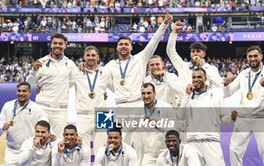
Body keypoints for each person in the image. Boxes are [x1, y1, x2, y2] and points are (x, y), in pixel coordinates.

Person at [177, 68, 239, 166]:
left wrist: (231, 118)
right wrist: (186, 95)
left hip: (211, 141)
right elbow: (180, 116)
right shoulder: (188, 96)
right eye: (194, 77)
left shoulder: (216, 94)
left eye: (199, 77)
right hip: (192, 142)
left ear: (205, 79)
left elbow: (224, 118)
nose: (196, 79)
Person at [105, 10, 172, 145]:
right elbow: (102, 79)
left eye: (126, 44)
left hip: (138, 105)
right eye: (121, 44)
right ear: (117, 48)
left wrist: (164, 25)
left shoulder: (140, 59)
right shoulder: (110, 65)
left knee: (141, 144)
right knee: (122, 145)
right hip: (121, 107)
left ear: (131, 47)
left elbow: (154, 42)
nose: (123, 47)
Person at [26, 33, 77, 137]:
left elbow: (72, 82)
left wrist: (62, 89)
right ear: (51, 45)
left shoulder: (70, 64)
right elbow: (28, 84)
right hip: (42, 106)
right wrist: (34, 71)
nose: (57, 46)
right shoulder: (41, 62)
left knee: (58, 139)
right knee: (39, 137)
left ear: (65, 45)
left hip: (61, 108)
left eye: (60, 43)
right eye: (55, 43)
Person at [70, 46, 112, 155]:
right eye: (88, 55)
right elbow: (63, 84)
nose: (90, 58)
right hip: (82, 114)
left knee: (102, 149)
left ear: (98, 57)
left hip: (102, 114)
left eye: (93, 55)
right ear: (84, 57)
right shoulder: (76, 72)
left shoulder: (106, 72)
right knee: (83, 149)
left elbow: (116, 87)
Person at [166, 21, 222, 89]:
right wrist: (174, 31)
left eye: (198, 51)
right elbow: (170, 51)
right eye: (193, 51)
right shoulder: (183, 66)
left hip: (203, 99)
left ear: (203, 54)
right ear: (190, 54)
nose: (195, 53)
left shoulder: (211, 69)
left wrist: (203, 66)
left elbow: (218, 83)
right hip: (185, 99)